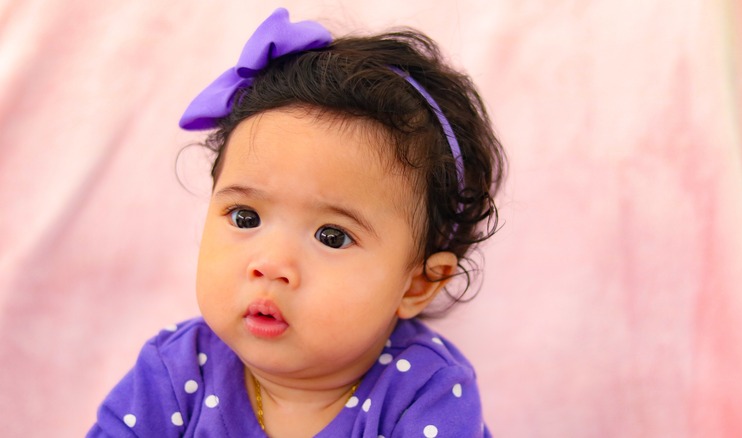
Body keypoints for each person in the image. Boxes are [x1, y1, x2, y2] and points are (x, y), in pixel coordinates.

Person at [89, 7, 504, 437]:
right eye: (246, 217)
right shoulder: (175, 372)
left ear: (417, 283)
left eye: (332, 236)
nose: (269, 264)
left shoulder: (424, 392)